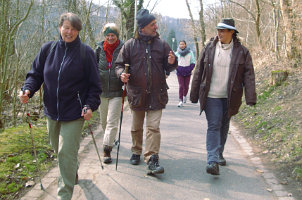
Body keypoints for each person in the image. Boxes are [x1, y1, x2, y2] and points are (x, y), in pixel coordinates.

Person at [19, 12, 101, 199]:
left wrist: (90, 105)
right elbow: (35, 75)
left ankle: (64, 195)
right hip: (51, 110)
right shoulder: (48, 49)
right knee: (58, 149)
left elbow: (95, 86)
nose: (69, 32)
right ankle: (72, 170)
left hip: (75, 111)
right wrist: (27, 90)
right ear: (59, 28)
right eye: (66, 27)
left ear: (78, 31)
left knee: (65, 153)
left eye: (73, 29)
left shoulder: (85, 53)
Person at [190, 18, 256, 176]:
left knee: (224, 125)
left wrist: (250, 97)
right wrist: (193, 94)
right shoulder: (209, 48)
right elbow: (199, 71)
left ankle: (219, 153)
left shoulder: (242, 52)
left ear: (232, 32)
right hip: (211, 95)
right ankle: (212, 159)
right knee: (214, 124)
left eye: (223, 30)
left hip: (230, 97)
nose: (219, 33)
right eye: (218, 30)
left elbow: (249, 76)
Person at [115, 9, 177, 175]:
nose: (156, 26)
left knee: (153, 127)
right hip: (137, 94)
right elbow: (119, 65)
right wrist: (122, 74)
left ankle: (152, 158)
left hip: (157, 94)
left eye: (155, 23)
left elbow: (169, 65)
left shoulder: (162, 44)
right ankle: (136, 151)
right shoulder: (129, 45)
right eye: (152, 24)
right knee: (136, 127)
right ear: (142, 28)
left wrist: (172, 62)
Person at [95, 23, 124, 164]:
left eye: (113, 35)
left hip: (117, 92)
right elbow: (93, 68)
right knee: (104, 122)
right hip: (102, 92)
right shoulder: (99, 50)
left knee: (112, 122)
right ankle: (111, 139)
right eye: (108, 35)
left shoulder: (123, 49)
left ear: (117, 36)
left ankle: (107, 150)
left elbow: (128, 65)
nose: (110, 38)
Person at [175, 40, 195, 107]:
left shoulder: (190, 52)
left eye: (183, 44)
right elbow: (174, 63)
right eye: (180, 44)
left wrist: (189, 69)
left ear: (185, 45)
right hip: (180, 72)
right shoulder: (177, 53)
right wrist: (177, 68)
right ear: (179, 45)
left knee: (186, 86)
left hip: (187, 72)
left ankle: (184, 96)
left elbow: (193, 62)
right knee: (181, 86)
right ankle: (180, 100)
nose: (182, 45)